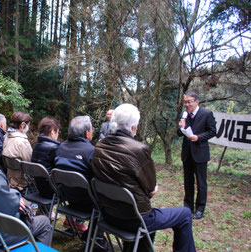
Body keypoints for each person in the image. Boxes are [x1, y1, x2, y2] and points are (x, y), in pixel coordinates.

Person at [92, 103, 196, 252]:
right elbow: (151, 189)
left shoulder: (99, 146)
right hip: (134, 219)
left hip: (107, 214)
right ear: (133, 128)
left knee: (141, 210)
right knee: (185, 214)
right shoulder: (139, 149)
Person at [178, 91, 216, 219]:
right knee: (188, 181)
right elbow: (179, 133)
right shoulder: (184, 115)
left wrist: (198, 137)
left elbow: (212, 131)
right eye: (185, 102)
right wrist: (180, 127)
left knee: (201, 182)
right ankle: (188, 206)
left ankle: (200, 208)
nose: (187, 105)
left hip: (200, 153)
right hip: (187, 153)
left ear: (197, 101)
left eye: (189, 102)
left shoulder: (206, 114)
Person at [54, 116, 94, 233]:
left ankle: (75, 221)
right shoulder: (91, 151)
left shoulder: (60, 147)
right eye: (92, 129)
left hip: (67, 199)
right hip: (88, 205)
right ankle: (96, 237)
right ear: (87, 133)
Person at [2, 111, 33, 191]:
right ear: (22, 125)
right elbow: (30, 164)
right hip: (23, 182)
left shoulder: (6, 137)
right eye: (28, 125)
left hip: (10, 179)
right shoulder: (22, 142)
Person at [31, 117, 61, 198]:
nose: (58, 134)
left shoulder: (36, 146)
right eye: (58, 132)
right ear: (51, 131)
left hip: (39, 187)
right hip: (52, 190)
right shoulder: (55, 148)